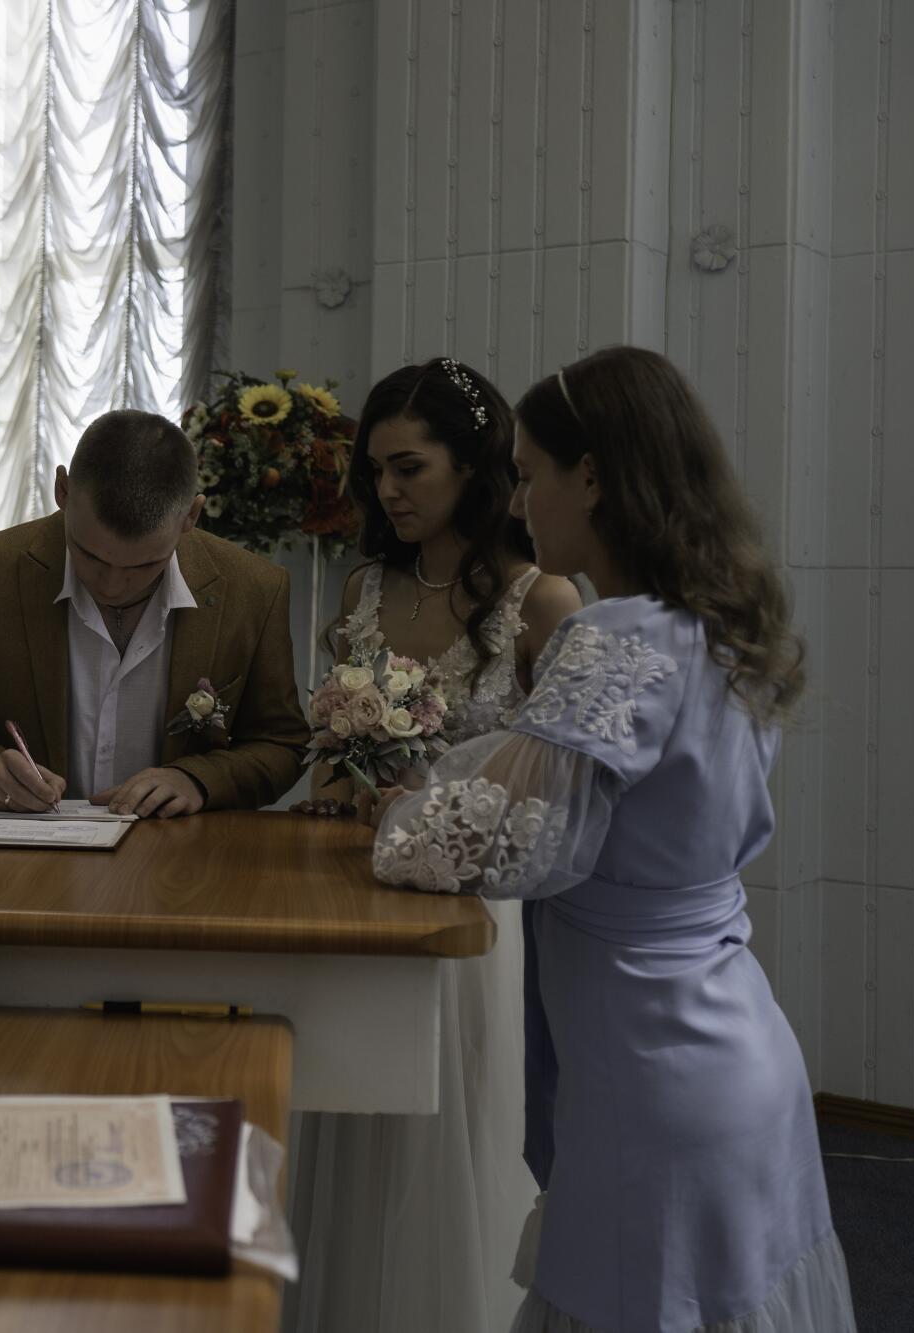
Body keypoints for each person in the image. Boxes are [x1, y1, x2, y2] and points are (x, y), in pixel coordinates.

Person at [366, 348, 856, 1333]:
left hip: (649, 1069)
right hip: (731, 1035)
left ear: (588, 476)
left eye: (527, 472)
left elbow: (481, 845)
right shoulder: (711, 622)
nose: (514, 502)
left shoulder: (615, 637)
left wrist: (398, 810)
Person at [285, 358, 581, 1333]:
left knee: (439, 1143)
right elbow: (330, 765)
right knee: (346, 1121)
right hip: (355, 901)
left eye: (408, 467)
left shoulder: (540, 604)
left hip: (468, 922)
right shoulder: (362, 590)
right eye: (375, 471)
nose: (386, 490)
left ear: (474, 466)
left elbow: (557, 781)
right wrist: (340, 778)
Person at [0, 409, 310, 816]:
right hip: (26, 864)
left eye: (144, 566)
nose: (111, 585)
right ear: (63, 491)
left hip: (182, 866)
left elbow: (280, 745)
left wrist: (199, 780)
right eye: (89, 555)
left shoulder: (254, 588)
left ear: (191, 516)